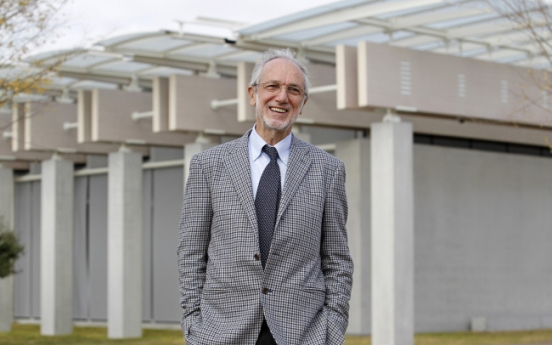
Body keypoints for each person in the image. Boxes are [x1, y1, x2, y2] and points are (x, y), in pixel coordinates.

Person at [177, 48, 353, 345]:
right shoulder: (208, 165)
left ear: (303, 103)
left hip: (303, 334)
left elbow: (336, 260)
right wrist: (194, 325)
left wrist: (332, 328)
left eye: (293, 90)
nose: (282, 97)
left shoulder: (329, 170)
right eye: (272, 86)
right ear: (252, 94)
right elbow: (191, 253)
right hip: (221, 332)